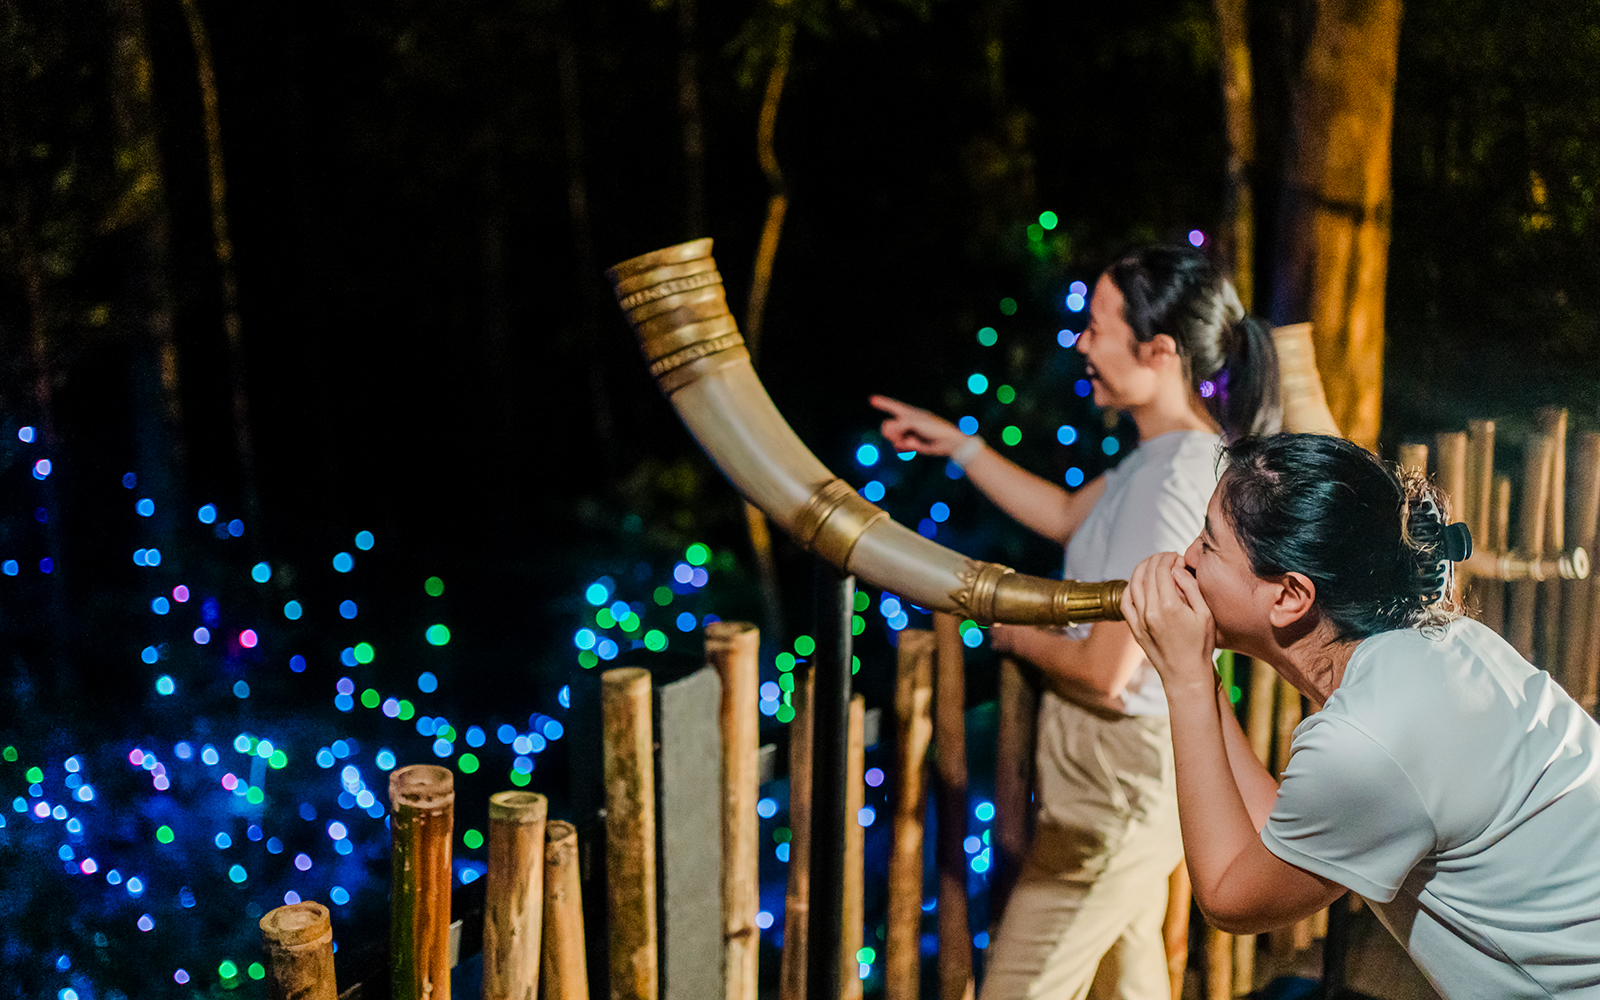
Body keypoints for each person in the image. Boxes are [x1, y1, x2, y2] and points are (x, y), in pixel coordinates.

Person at [874, 245, 1279, 1000]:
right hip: (1119, 784)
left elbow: (1106, 670)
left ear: (1158, 352)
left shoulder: (1172, 481)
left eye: (1097, 328)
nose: (1082, 345)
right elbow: (1064, 515)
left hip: (1112, 795)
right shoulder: (1162, 460)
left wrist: (1008, 628)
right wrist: (961, 446)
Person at [1121, 433, 1600, 999]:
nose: (1186, 558)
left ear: (1289, 596)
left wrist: (1185, 679)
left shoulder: (1369, 738)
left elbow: (1231, 896)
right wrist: (1199, 671)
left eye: (1208, 542)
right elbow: (1292, 832)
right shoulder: (1442, 647)